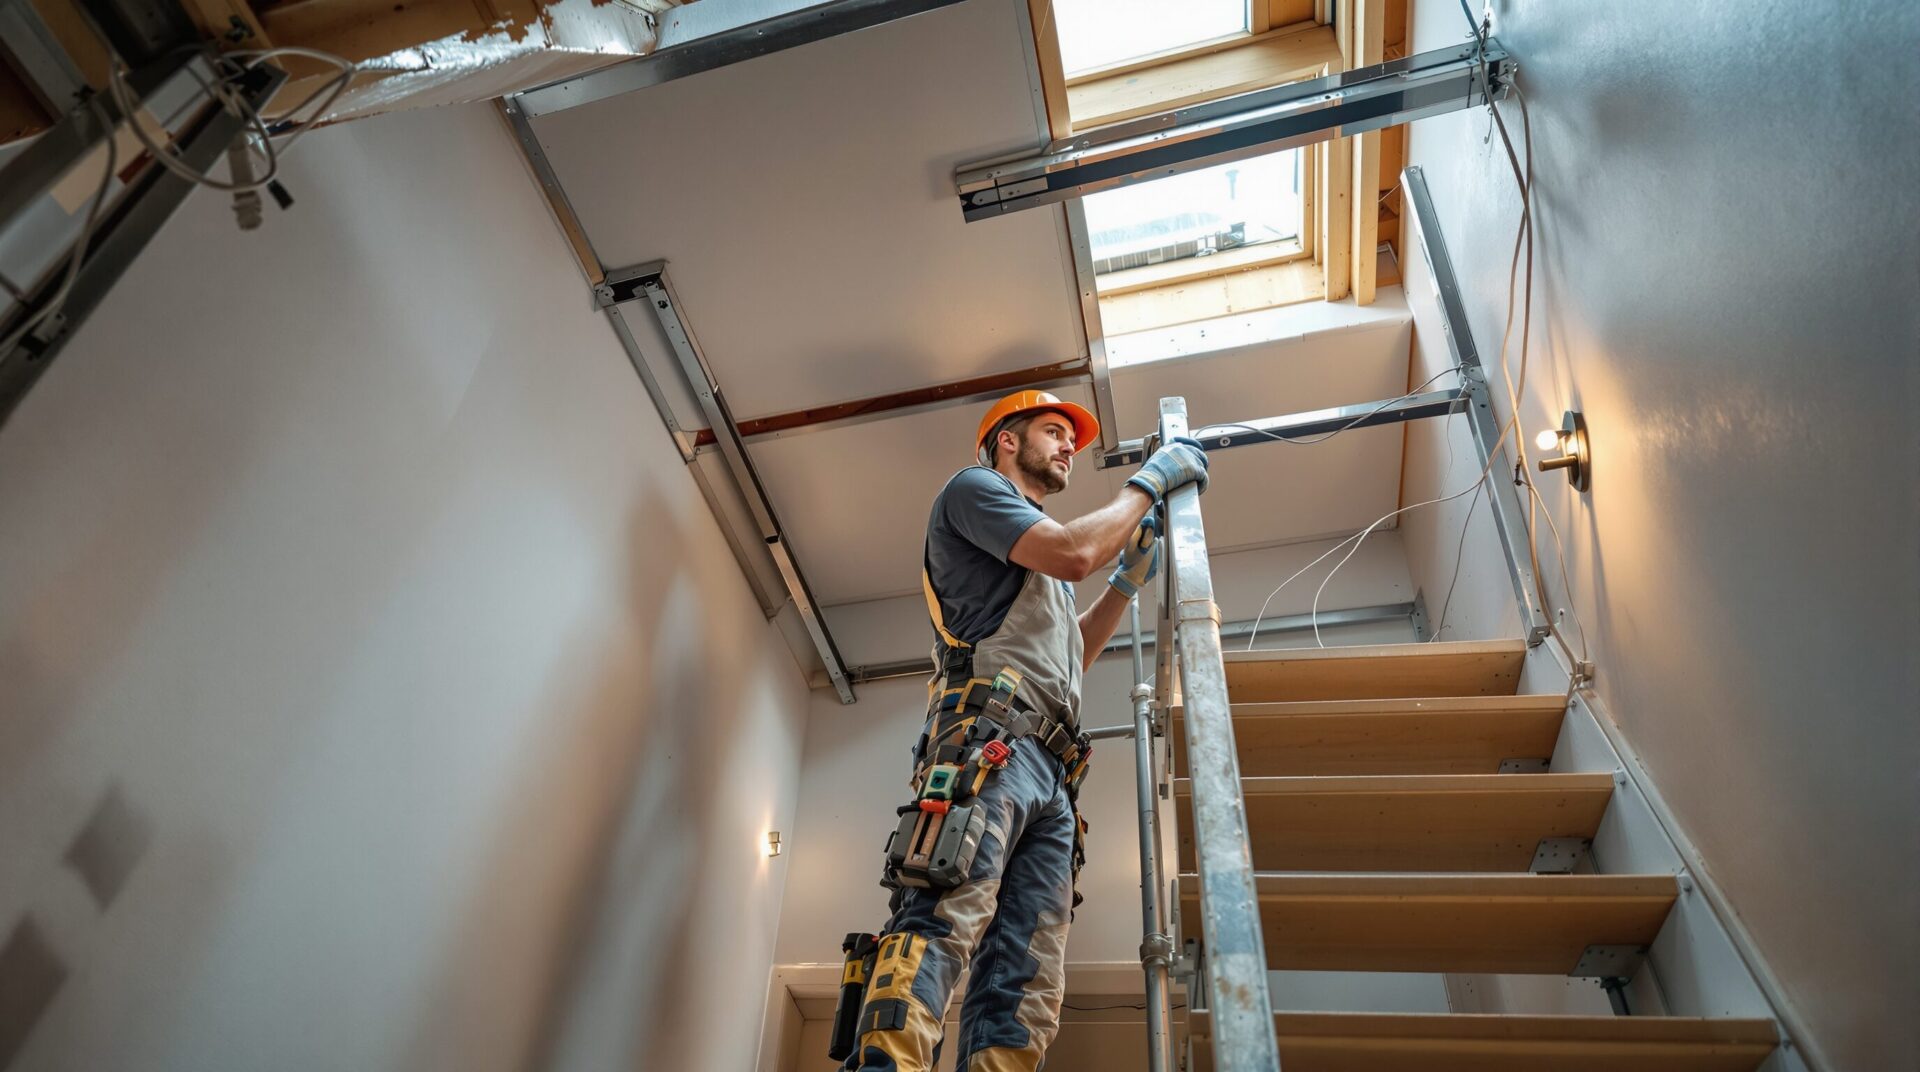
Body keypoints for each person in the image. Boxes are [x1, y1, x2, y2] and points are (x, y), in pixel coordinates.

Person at [845, 390, 1209, 1071]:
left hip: (1052, 772)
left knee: (1026, 977)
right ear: (1007, 441)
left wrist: (1125, 585)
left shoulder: (1041, 566)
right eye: (1053, 430)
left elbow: (1069, 656)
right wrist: (1148, 482)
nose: (1069, 444)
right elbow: (1075, 552)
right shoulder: (975, 490)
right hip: (989, 745)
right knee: (943, 917)